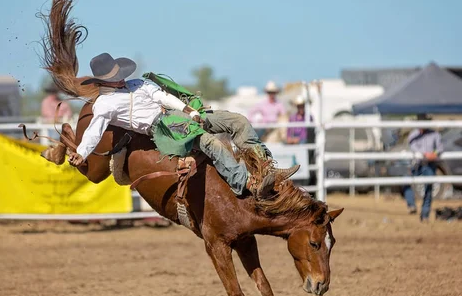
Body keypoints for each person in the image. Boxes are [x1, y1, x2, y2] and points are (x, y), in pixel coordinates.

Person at [68, 53, 298, 199]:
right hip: (164, 127)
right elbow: (94, 130)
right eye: (112, 77)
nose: (119, 79)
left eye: (118, 74)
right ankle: (247, 183)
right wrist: (81, 153)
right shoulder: (105, 104)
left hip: (179, 115)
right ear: (101, 82)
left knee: (237, 120)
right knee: (209, 143)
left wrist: (189, 110)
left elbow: (162, 97)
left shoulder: (137, 83)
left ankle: (265, 168)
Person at [402, 114, 443, 221]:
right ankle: (411, 204)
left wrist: (434, 154)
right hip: (416, 163)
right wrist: (426, 154)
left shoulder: (434, 134)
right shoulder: (413, 134)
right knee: (406, 181)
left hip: (429, 164)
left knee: (429, 188)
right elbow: (413, 148)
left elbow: (439, 149)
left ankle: (425, 214)